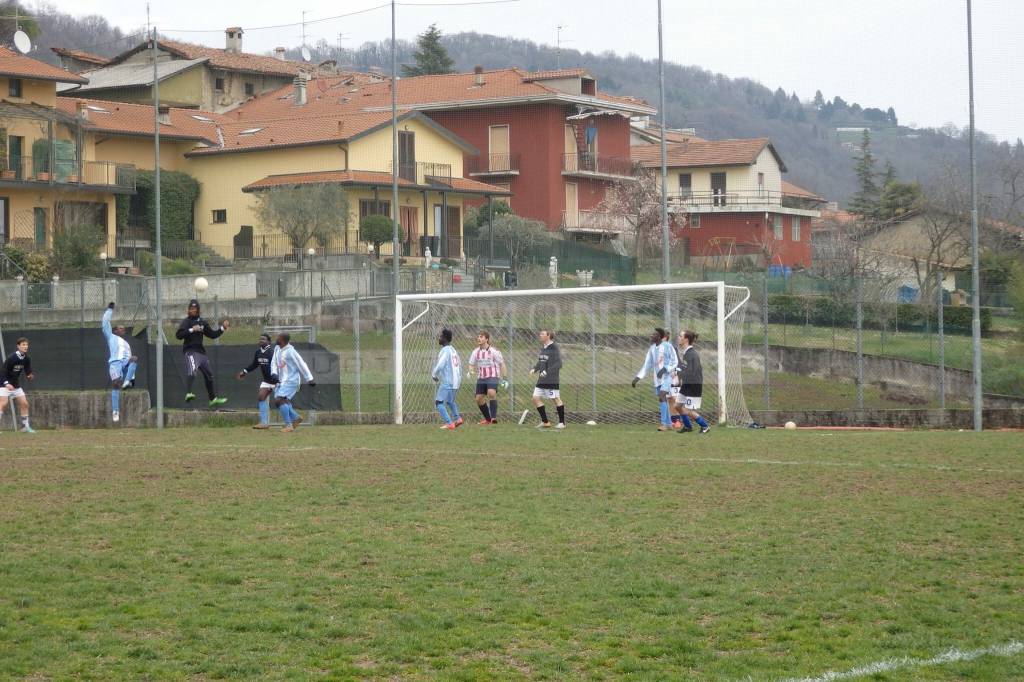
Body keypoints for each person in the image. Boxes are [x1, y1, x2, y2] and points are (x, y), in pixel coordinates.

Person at [175, 298, 229, 406]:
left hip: (201, 353)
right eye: (190, 308)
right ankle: (188, 393)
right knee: (192, 371)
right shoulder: (187, 322)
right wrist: (191, 329)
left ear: (198, 310)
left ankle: (212, 399)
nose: (192, 310)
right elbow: (178, 335)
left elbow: (212, 334)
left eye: (194, 308)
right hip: (190, 351)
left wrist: (222, 328)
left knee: (209, 375)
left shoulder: (202, 322)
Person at [631, 327, 678, 431]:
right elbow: (647, 364)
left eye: (654, 334)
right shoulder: (652, 349)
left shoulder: (667, 346)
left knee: (662, 395)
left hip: (667, 376)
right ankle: (669, 423)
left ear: (660, 336)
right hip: (658, 379)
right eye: (652, 334)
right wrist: (638, 377)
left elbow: (675, 361)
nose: (651, 336)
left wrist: (665, 369)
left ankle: (664, 424)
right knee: (662, 399)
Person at [270, 333, 316, 433]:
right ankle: (296, 417)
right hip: (281, 380)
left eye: (278, 337)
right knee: (283, 401)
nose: (276, 339)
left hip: (292, 380)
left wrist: (309, 378)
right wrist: (273, 373)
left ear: (282, 340)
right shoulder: (277, 348)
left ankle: (289, 425)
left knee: (279, 400)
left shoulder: (291, 351)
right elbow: (273, 362)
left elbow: (301, 363)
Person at [102, 302, 138, 424]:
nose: (123, 329)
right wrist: (110, 310)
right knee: (116, 383)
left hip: (125, 364)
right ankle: (115, 411)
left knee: (134, 359)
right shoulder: (111, 337)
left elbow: (130, 363)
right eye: (120, 328)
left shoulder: (127, 344)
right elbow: (105, 323)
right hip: (115, 364)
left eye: (124, 328)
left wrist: (131, 377)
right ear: (115, 330)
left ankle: (127, 382)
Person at [238, 333, 277, 429]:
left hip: (277, 380)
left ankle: (293, 419)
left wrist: (278, 377)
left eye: (263, 339)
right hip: (267, 381)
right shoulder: (258, 352)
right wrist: (244, 371)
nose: (261, 341)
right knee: (261, 397)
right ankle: (264, 423)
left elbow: (279, 366)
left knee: (281, 401)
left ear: (269, 341)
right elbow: (254, 365)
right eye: (260, 339)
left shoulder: (272, 352)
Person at [468, 330, 507, 425]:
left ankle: (493, 418)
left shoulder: (494, 351)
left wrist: (505, 378)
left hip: (493, 376)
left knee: (491, 392)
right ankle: (488, 419)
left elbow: (502, 364)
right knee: (478, 399)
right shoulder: (475, 352)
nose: (479, 338)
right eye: (478, 337)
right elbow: (471, 364)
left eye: (481, 337)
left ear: (487, 339)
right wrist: (471, 371)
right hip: (481, 378)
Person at [530, 329, 565, 429]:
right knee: (535, 398)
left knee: (555, 399)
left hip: (551, 379)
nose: (540, 335)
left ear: (548, 336)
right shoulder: (544, 348)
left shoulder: (554, 347)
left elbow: (559, 364)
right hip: (542, 379)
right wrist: (535, 368)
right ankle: (545, 422)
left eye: (542, 334)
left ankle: (562, 423)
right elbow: (541, 360)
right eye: (540, 333)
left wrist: (547, 372)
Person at [677, 330, 710, 434]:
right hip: (687, 384)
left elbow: (692, 371)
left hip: (694, 385)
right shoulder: (686, 353)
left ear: (686, 339)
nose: (678, 337)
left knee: (688, 410)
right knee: (677, 406)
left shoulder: (692, 354)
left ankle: (705, 426)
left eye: (680, 336)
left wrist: (679, 373)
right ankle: (688, 427)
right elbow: (687, 369)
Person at [0, 337, 35, 433]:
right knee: (3, 404)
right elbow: (2, 371)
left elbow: (28, 371)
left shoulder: (27, 358)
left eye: (26, 345)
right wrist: (6, 384)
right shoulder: (12, 357)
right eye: (23, 345)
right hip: (4, 384)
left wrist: (30, 375)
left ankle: (25, 427)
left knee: (24, 404)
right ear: (18, 346)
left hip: (16, 385)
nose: (25, 346)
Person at [431, 328, 463, 430]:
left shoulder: (445, 350)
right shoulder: (453, 350)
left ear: (445, 338)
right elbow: (459, 365)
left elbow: (440, 365)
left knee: (438, 402)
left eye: (440, 336)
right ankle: (458, 419)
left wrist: (434, 374)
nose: (439, 338)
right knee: (450, 401)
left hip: (448, 381)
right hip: (456, 381)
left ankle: (449, 423)